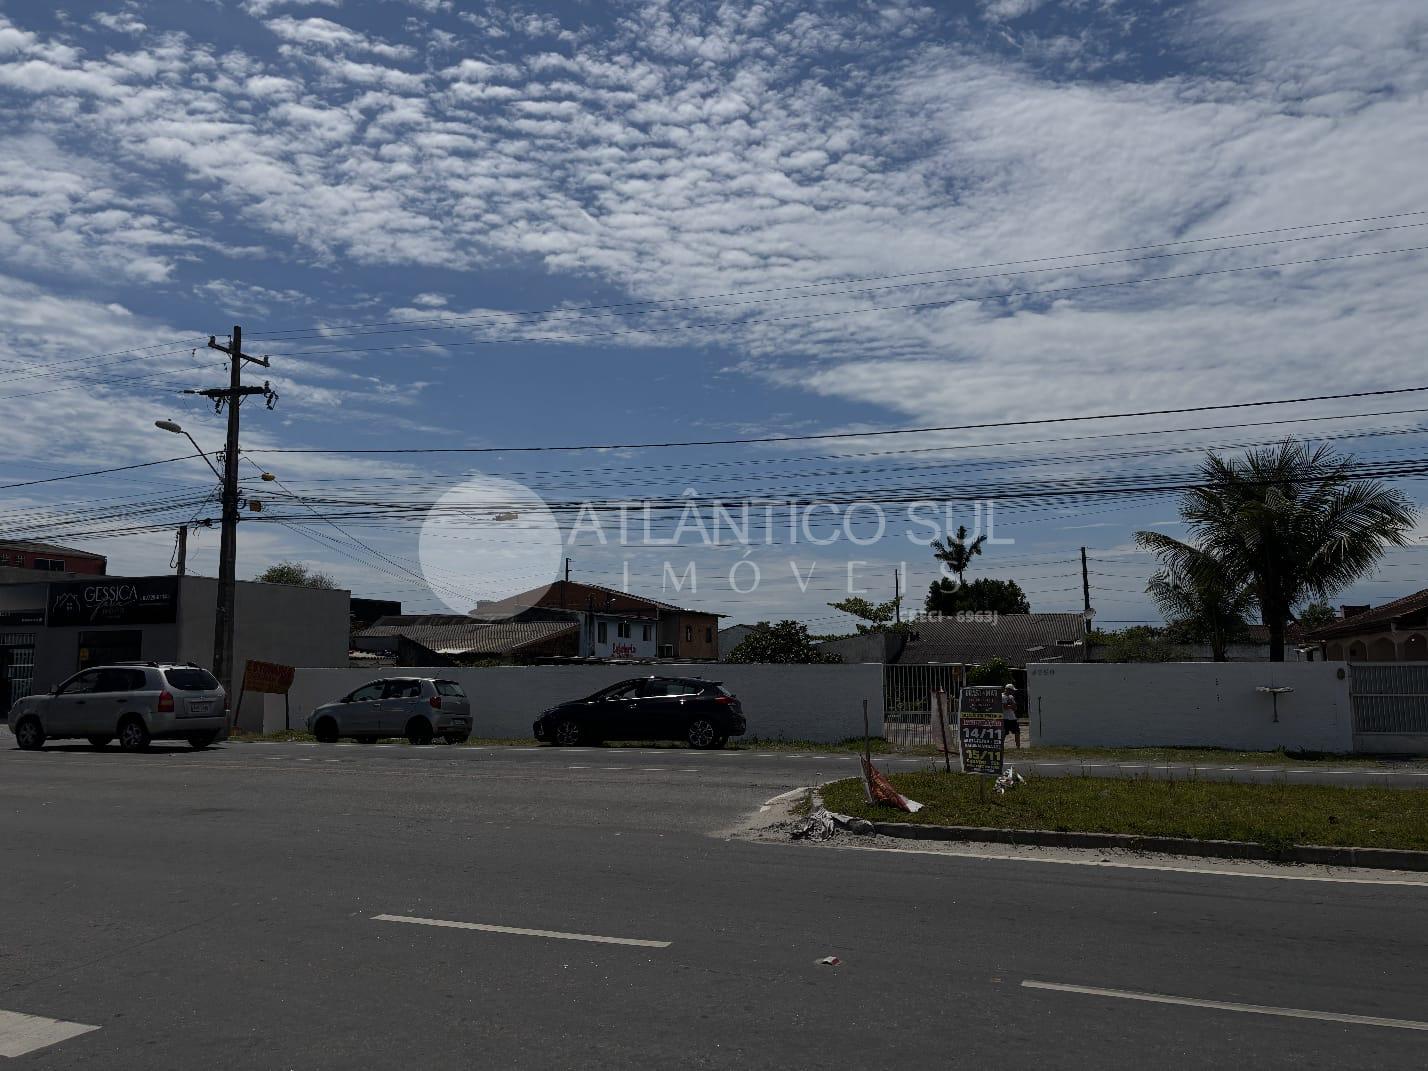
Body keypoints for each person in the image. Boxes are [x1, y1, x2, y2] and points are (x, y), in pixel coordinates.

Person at [1001, 683, 1021, 749]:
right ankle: (1001, 747)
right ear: (1007, 689)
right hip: (1005, 718)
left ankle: (1018, 747)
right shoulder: (1002, 696)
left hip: (1012, 717)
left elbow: (1015, 707)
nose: (1012, 692)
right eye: (1011, 690)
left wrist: (1011, 706)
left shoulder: (1011, 697)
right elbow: (1005, 707)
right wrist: (1011, 706)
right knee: (1004, 733)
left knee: (1017, 732)